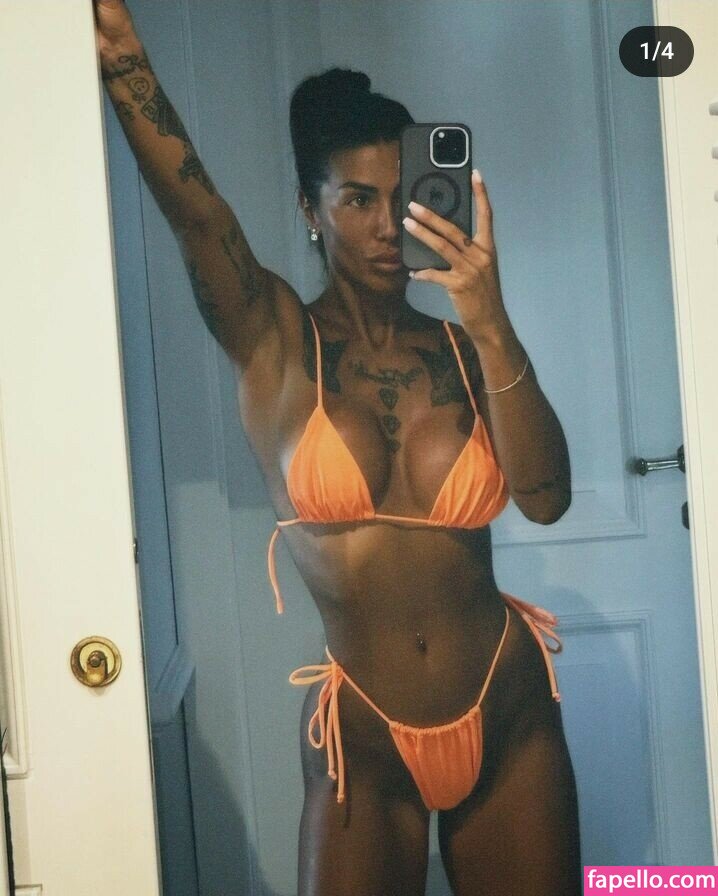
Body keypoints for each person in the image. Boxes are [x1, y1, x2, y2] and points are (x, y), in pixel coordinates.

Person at [96, 2, 581, 893]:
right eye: (357, 200)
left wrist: (490, 319)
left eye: (402, 197)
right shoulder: (275, 340)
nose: (387, 226)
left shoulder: (466, 348)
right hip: (365, 741)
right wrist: (126, 62)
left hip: (509, 712)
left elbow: (548, 498)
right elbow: (199, 219)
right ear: (310, 209)